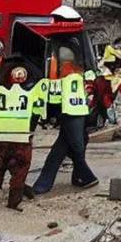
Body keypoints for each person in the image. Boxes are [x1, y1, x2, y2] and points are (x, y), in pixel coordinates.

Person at [0, 63, 47, 213]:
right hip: (20, 137)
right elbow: (38, 112)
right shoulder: (32, 92)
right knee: (20, 170)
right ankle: (13, 202)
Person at [31, 48, 98, 196]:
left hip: (69, 112)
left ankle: (46, 183)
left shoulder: (61, 74)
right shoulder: (82, 72)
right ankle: (84, 177)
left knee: (65, 148)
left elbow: (54, 95)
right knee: (74, 146)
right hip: (79, 112)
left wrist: (49, 115)